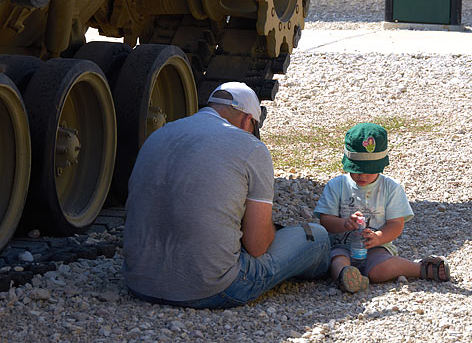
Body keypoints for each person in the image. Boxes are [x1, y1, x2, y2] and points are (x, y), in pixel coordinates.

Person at [123, 82, 330, 309]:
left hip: (139, 282)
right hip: (212, 288)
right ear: (246, 120)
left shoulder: (159, 134)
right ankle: (340, 261)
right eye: (254, 127)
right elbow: (257, 246)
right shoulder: (251, 147)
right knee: (316, 237)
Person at [314, 123, 450, 293]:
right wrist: (343, 224)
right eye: (356, 170)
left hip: (376, 248)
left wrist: (378, 237)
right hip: (342, 246)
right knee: (337, 260)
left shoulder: (390, 188)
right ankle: (346, 276)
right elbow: (325, 220)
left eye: (368, 170)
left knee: (379, 271)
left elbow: (396, 224)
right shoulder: (337, 185)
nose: (361, 175)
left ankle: (421, 268)